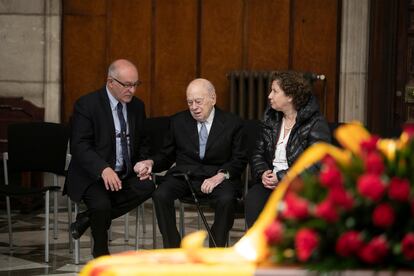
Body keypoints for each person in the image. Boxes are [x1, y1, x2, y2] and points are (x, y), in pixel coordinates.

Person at [134, 78, 247, 248]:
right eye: (190, 102)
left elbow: (239, 160)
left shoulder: (233, 124)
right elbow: (166, 156)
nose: (194, 107)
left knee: (227, 199)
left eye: (198, 102)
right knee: (160, 195)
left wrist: (220, 176)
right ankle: (173, 248)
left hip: (217, 177)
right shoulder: (178, 121)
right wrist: (150, 162)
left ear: (213, 99)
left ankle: (216, 247)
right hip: (184, 176)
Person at [65, 59, 155, 258]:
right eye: (127, 85)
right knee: (102, 205)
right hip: (92, 175)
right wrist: (103, 169)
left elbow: (144, 141)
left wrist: (143, 162)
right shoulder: (87, 105)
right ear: (110, 82)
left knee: (148, 186)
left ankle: (86, 219)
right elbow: (79, 146)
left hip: (124, 173)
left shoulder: (137, 107)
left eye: (135, 85)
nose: (132, 90)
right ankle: (101, 254)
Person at [245, 71, 331, 228]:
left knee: (288, 213)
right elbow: (257, 152)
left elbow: (317, 162)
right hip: (270, 183)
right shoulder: (271, 117)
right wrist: (263, 172)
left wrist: (283, 177)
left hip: (298, 185)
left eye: (275, 91)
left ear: (290, 96)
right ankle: (258, 249)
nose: (269, 96)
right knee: (253, 200)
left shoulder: (315, 122)